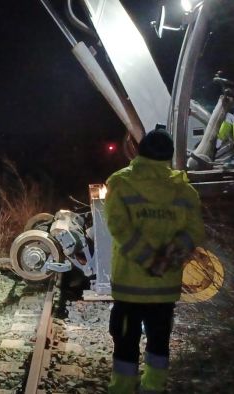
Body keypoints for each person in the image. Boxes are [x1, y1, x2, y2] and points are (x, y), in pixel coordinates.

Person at [104, 129, 204, 393]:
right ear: (169, 157)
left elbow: (119, 228)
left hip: (129, 287)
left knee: (125, 341)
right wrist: (166, 259)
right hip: (164, 288)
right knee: (159, 343)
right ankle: (154, 388)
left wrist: (147, 259)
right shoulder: (185, 191)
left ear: (139, 151)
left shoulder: (120, 183)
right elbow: (194, 232)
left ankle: (123, 388)